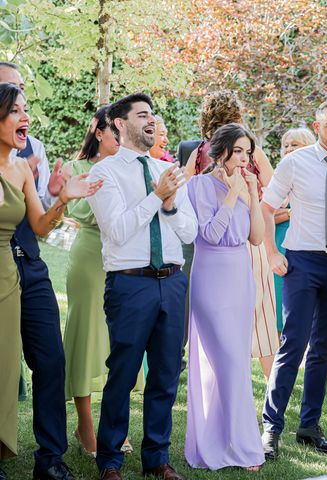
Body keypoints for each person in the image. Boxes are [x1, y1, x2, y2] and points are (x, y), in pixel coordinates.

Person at [87, 93, 197, 480]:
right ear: (119, 123)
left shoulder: (166, 169)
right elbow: (117, 230)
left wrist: (169, 205)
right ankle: (111, 461)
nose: (152, 120)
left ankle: (157, 458)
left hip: (172, 282)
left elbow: (189, 230)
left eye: (154, 115)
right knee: (123, 372)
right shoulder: (103, 173)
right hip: (130, 285)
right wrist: (157, 196)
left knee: (166, 374)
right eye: (143, 115)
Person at [0, 82, 102, 480]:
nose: (26, 118)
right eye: (16, 111)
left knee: (51, 360)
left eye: (27, 110)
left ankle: (50, 458)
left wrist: (62, 198)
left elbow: (42, 226)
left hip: (30, 269)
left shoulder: (23, 166)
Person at [261, 99, 327, 459]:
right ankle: (271, 428)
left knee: (323, 350)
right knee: (293, 344)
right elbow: (266, 208)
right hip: (302, 263)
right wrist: (273, 252)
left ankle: (308, 425)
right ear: (318, 127)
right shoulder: (294, 162)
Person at [184, 123, 265, 471]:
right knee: (226, 362)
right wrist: (232, 193)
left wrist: (252, 195)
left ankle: (229, 439)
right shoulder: (199, 186)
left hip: (240, 278)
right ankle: (242, 446)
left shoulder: (248, 184)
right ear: (221, 154)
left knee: (234, 365)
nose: (245, 159)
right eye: (239, 152)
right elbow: (212, 235)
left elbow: (257, 238)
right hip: (210, 277)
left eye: (248, 152)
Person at [61, 107, 141, 458]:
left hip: (124, 260)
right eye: (116, 131)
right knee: (86, 337)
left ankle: (114, 423)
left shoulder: (133, 166)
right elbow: (74, 211)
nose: (121, 138)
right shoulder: (76, 169)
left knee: (117, 343)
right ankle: (85, 425)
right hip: (91, 258)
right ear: (99, 132)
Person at [183, 90, 279, 378]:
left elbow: (185, 196)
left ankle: (216, 379)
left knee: (217, 316)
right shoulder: (249, 150)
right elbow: (275, 191)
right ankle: (271, 386)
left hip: (209, 250)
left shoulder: (198, 153)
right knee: (261, 314)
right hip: (247, 237)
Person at [273, 127, 316, 332]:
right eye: (286, 145)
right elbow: (268, 214)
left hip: (307, 244)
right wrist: (292, 212)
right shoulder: (279, 175)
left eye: (294, 145)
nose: (289, 149)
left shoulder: (316, 175)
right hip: (279, 243)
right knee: (280, 297)